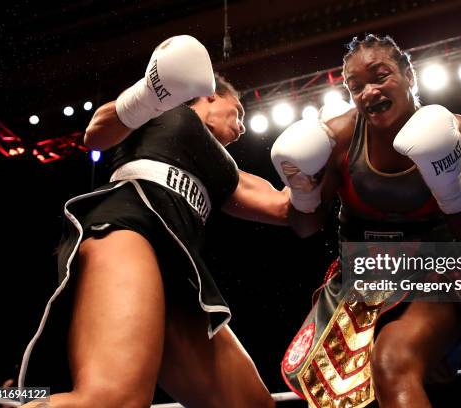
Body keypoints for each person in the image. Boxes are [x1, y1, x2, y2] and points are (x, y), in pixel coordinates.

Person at [272, 34, 461, 408]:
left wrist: (449, 187)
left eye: (380, 77)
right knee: (342, 398)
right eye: (355, 86)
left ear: (408, 75)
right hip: (359, 283)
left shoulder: (456, 131)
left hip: (434, 276)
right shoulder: (340, 138)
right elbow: (305, 227)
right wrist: (302, 191)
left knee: (392, 363)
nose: (368, 93)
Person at [19, 35, 289, 408]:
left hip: (181, 273)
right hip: (131, 230)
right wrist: (151, 91)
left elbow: (285, 208)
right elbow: (95, 134)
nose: (242, 128)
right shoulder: (167, 105)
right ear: (211, 94)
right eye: (238, 112)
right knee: (113, 401)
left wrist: (320, 161)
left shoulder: (226, 170)